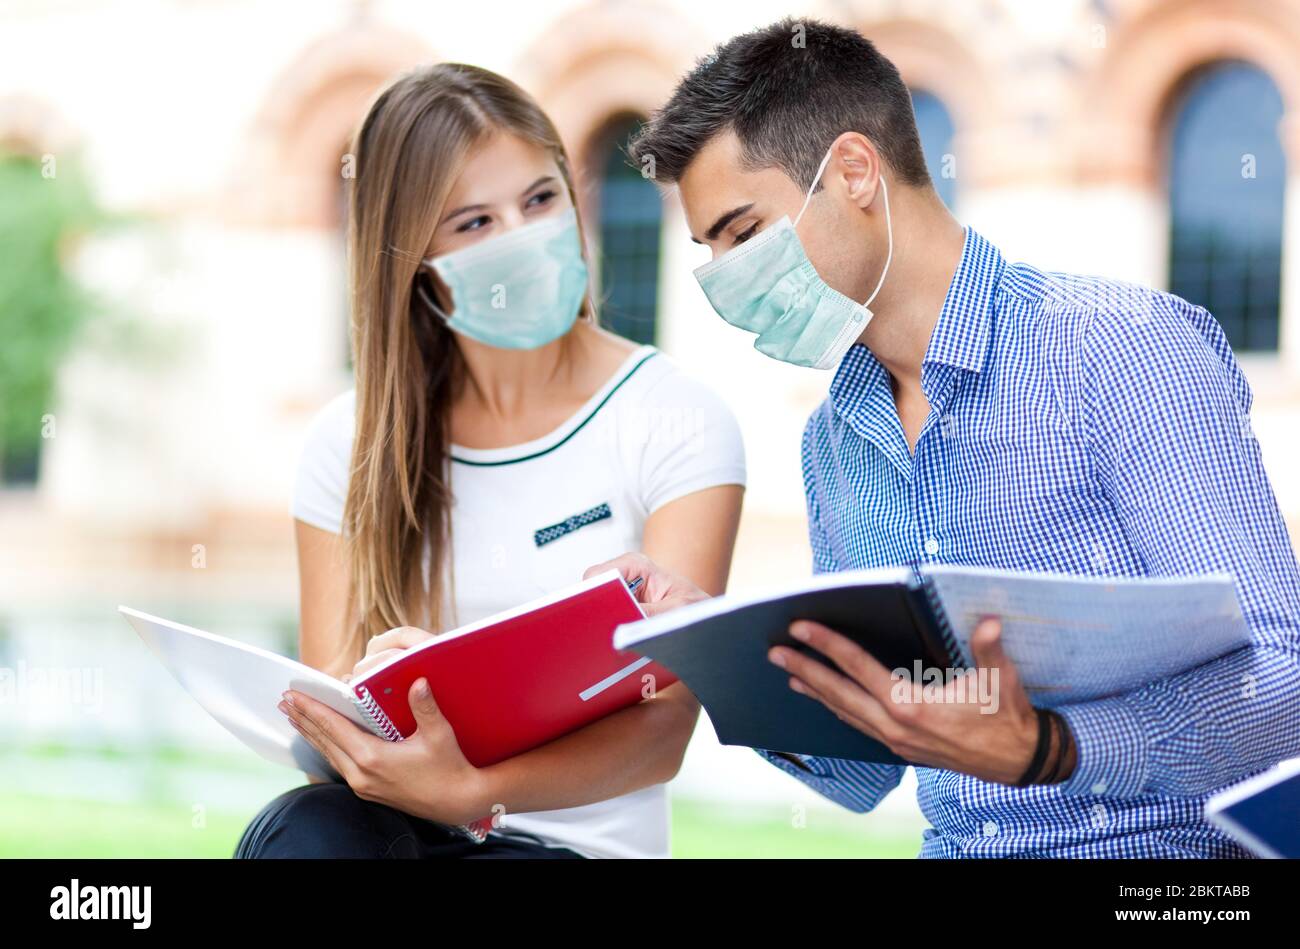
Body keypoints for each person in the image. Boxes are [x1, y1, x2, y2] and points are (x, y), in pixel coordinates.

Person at [591, 17, 1300, 857]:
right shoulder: (837, 436)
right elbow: (863, 771)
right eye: (709, 250)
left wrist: (1052, 746)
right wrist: (711, 648)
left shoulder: (1120, 348)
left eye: (744, 234)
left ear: (855, 170)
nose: (725, 281)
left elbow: (1283, 679)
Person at [234, 63, 746, 860]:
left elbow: (662, 728)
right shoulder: (350, 441)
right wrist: (391, 696)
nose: (523, 237)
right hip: (401, 830)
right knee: (306, 833)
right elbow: (332, 728)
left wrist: (475, 788)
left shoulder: (675, 418)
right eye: (474, 222)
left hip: (573, 848)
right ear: (413, 259)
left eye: (540, 200)